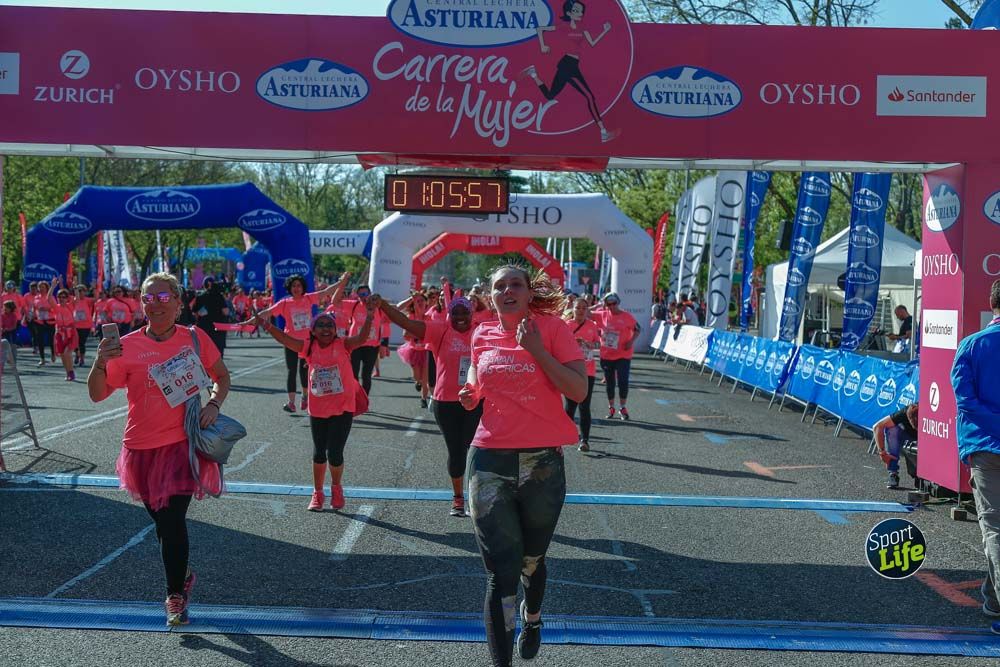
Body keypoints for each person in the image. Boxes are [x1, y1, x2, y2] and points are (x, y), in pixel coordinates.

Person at [458, 264, 587, 666]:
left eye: (516, 284)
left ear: (530, 294)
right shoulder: (482, 332)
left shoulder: (552, 330)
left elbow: (578, 391)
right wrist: (470, 390)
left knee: (532, 560)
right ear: (490, 296)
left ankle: (532, 619)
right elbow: (477, 372)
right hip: (489, 458)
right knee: (501, 573)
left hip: (542, 462)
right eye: (500, 286)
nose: (508, 290)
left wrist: (536, 350)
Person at [87, 272, 230, 627]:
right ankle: (182, 572)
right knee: (162, 524)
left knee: (172, 520)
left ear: (180, 303)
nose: (156, 304)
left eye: (164, 298)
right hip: (140, 447)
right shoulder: (127, 344)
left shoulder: (194, 339)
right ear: (141, 303)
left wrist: (213, 404)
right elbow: (96, 393)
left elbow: (222, 376)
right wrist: (100, 360)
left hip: (181, 444)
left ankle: (174, 596)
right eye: (149, 298)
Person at [255, 303, 372, 511]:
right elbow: (285, 340)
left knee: (335, 453)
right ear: (312, 330)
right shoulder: (309, 347)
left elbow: (362, 338)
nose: (326, 329)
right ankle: (317, 493)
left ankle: (336, 488)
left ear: (336, 329)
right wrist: (266, 324)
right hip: (318, 408)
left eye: (330, 325)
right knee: (319, 453)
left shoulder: (344, 344)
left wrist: (370, 315)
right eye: (320, 325)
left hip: (343, 407)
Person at [380, 294, 483, 517]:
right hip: (445, 402)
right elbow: (406, 323)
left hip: (475, 400)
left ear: (471, 313)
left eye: (464, 312)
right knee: (456, 451)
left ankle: (476, 495)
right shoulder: (440, 330)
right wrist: (383, 306)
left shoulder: (481, 331)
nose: (460, 317)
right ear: (449, 315)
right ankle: (458, 498)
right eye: (455, 313)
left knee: (475, 449)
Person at [952, 279, 1000, 629]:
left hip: (985, 448)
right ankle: (994, 598)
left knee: (995, 528)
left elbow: (965, 402)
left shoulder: (971, 346)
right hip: (986, 447)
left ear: (992, 303)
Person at [245, 273, 347, 413]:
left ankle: (305, 396)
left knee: (304, 371)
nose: (296, 288)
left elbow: (325, 292)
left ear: (302, 287)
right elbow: (267, 312)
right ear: (289, 288)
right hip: (291, 342)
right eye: (293, 286)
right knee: (291, 371)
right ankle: (291, 402)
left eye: (299, 285)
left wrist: (341, 282)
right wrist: (249, 321)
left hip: (307, 342)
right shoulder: (285, 303)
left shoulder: (309, 298)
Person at [522, 1, 617, 143]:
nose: (580, 13)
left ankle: (533, 74)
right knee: (589, 97)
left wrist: (605, 30)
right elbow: (540, 29)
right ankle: (603, 132)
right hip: (567, 65)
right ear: (569, 13)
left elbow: (592, 43)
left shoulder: (582, 28)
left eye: (581, 11)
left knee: (550, 96)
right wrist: (543, 46)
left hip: (572, 65)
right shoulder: (563, 26)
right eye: (577, 11)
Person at [595, 292, 639, 420]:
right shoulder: (602, 315)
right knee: (610, 383)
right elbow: (585, 312)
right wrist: (599, 304)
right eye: (609, 304)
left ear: (618, 303)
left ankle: (622, 407)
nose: (612, 306)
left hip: (623, 355)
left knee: (623, 381)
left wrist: (631, 341)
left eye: (614, 303)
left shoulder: (627, 316)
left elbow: (638, 329)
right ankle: (611, 407)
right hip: (607, 355)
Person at [564, 298, 601, 451]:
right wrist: (574, 343)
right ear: (572, 309)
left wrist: (589, 344)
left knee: (584, 406)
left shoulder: (592, 325)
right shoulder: (566, 325)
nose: (580, 311)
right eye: (577, 308)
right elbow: (560, 345)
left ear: (587, 310)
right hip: (570, 369)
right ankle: (565, 436)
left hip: (588, 370)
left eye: (583, 308)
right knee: (570, 405)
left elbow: (598, 344)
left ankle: (584, 440)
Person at [872, 403, 919, 489]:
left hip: (925, 439)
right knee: (892, 429)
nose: (914, 425)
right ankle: (893, 473)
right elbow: (877, 427)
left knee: (915, 473)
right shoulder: (904, 412)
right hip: (909, 437)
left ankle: (921, 475)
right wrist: (882, 453)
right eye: (912, 422)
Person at [47, 277, 79, 381]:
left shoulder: (71, 306)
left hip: (70, 332)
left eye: (64, 296)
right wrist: (52, 286)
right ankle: (68, 372)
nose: (62, 298)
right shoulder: (56, 307)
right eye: (60, 296)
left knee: (67, 352)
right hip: (60, 333)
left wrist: (75, 287)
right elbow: (49, 298)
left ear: (67, 298)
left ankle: (71, 372)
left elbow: (77, 298)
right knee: (62, 354)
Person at [192, 277, 231, 358]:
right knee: (218, 351)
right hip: (218, 328)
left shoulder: (200, 297)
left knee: (204, 352)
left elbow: (194, 312)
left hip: (204, 328)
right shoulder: (219, 296)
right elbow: (226, 311)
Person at [72, 284, 95, 367]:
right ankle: (77, 354)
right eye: (78, 291)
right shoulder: (74, 300)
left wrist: (96, 288)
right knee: (74, 342)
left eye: (82, 291)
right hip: (75, 325)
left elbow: (96, 299)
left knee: (82, 342)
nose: (80, 293)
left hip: (86, 325)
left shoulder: (87, 300)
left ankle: (82, 358)